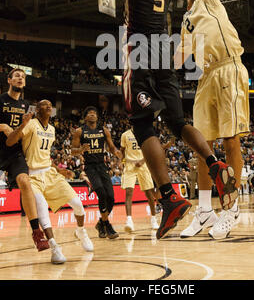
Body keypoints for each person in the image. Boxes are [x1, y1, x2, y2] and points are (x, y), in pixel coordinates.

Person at [84, 0, 238, 240]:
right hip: (165, 54)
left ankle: (170, 197)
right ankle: (215, 164)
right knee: (177, 120)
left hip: (141, 53)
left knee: (142, 125)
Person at [175, 0, 249, 240]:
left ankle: (231, 209)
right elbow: (175, 59)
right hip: (205, 79)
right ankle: (203, 210)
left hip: (229, 69)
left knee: (231, 142)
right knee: (202, 147)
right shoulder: (185, 22)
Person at [6, 100, 94, 264]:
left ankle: (81, 231)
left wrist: (60, 170)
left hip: (50, 173)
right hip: (32, 175)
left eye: (50, 105)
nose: (48, 106)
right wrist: (21, 125)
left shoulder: (52, 129)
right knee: (42, 210)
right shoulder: (31, 124)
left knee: (78, 205)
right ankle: (54, 248)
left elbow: (45, 155)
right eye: (44, 104)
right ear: (37, 109)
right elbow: (11, 141)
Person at [0, 68, 49, 251]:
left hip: (15, 152)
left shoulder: (27, 106)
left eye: (23, 77)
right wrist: (3, 126)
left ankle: (36, 231)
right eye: (17, 76)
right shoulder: (1, 100)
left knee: (24, 181)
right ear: (9, 80)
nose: (20, 78)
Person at [71, 106, 122, 239]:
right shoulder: (79, 131)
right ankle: (107, 225)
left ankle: (101, 223)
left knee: (111, 197)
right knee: (101, 192)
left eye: (95, 113)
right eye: (90, 113)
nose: (93, 115)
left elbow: (111, 147)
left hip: (102, 166)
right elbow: (72, 150)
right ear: (85, 117)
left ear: (97, 117)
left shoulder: (104, 130)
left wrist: (117, 153)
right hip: (90, 167)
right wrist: (81, 149)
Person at [120, 127, 159, 232]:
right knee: (128, 192)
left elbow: (149, 151)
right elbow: (122, 150)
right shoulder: (125, 135)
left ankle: (154, 219)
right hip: (129, 165)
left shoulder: (145, 133)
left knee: (149, 194)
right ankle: (129, 220)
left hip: (143, 165)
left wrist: (142, 161)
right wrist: (121, 162)